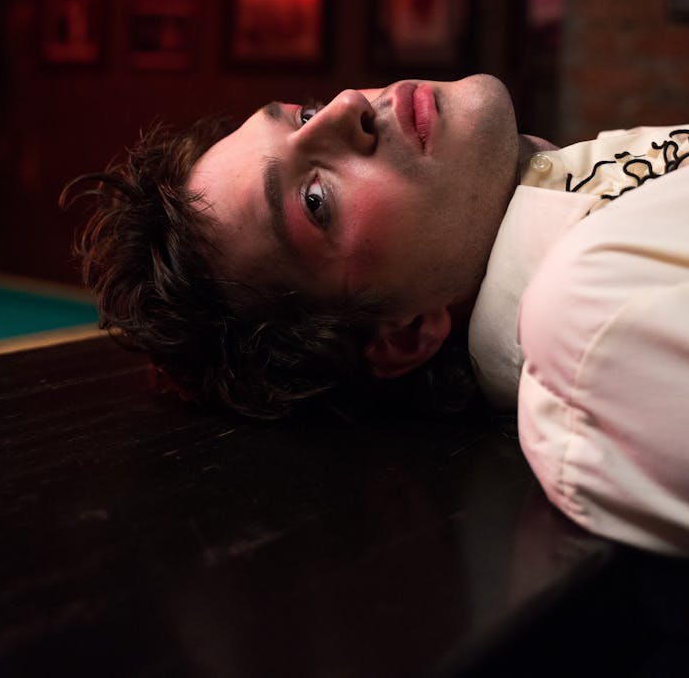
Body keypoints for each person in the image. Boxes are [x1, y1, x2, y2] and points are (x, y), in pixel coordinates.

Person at [64, 74, 689, 556]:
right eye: (316, 199)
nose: (343, 106)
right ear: (402, 335)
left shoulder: (597, 223)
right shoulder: (591, 329)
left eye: (303, 116)